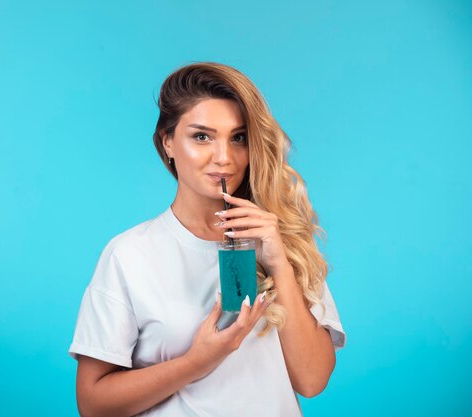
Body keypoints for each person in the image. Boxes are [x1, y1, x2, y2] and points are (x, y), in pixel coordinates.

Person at [68, 62, 346, 417]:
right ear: (167, 142)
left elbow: (312, 381)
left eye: (238, 137)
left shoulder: (281, 241)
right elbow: (93, 405)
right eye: (202, 136)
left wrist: (279, 264)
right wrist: (198, 362)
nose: (224, 158)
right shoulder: (130, 255)